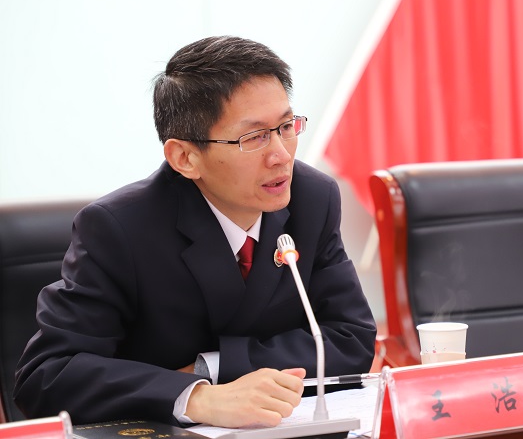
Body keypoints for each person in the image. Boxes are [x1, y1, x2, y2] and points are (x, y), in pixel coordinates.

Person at [13, 35, 377, 428]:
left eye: (286, 126)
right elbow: (47, 376)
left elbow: (351, 338)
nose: (281, 155)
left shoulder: (312, 198)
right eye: (254, 137)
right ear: (185, 157)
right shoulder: (119, 228)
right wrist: (197, 398)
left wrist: (212, 369)